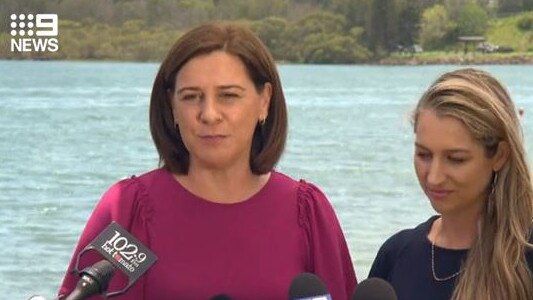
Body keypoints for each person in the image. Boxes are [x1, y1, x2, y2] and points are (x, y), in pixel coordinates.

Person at [58, 22, 356, 299]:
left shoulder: (307, 213)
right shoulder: (127, 208)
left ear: (264, 100)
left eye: (228, 95)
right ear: (171, 106)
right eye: (190, 97)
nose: (209, 114)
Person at [368, 68, 533, 300]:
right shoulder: (395, 255)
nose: (434, 177)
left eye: (456, 159)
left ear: (499, 155)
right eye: (424, 155)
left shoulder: (526, 257)